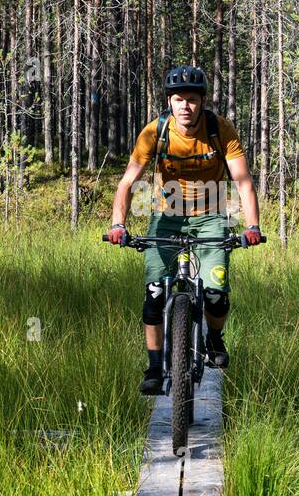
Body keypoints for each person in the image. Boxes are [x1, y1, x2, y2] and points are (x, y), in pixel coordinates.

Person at [107, 65, 262, 395]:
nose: (185, 107)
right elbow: (127, 182)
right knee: (154, 293)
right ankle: (153, 366)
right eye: (179, 100)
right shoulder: (155, 132)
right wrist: (118, 224)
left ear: (202, 101)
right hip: (167, 216)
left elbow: (244, 181)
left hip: (211, 217)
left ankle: (214, 337)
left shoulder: (220, 130)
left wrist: (252, 226)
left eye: (192, 100)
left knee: (216, 295)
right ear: (170, 101)